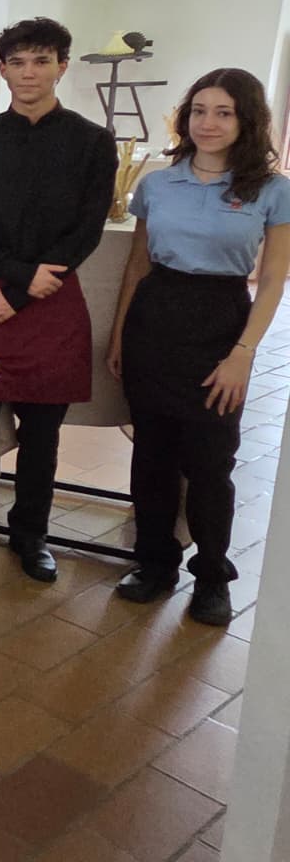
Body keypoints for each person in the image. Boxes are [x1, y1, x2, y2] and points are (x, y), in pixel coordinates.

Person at [0, 17, 116, 582]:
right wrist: (14, 282)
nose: (29, 72)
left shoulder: (91, 141)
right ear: (4, 69)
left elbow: (86, 230)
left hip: (51, 298)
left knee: (43, 432)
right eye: (18, 62)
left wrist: (28, 287)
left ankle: (30, 534)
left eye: (41, 60)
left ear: (62, 65)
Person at [108, 69, 290, 626]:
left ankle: (212, 575)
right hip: (155, 320)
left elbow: (276, 280)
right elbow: (138, 265)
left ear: (247, 120)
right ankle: (155, 562)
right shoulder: (161, 183)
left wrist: (243, 353)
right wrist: (119, 335)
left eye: (224, 112)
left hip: (220, 321)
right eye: (199, 111)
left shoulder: (272, 189)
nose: (208, 123)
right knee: (153, 455)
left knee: (212, 463)